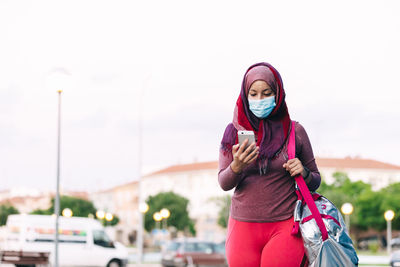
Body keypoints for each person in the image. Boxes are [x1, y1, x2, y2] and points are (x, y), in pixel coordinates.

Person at [218, 62, 321, 267]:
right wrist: (236, 166)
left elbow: (315, 181)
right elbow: (224, 182)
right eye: (253, 94)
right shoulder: (233, 132)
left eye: (266, 93)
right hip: (242, 226)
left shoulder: (295, 131)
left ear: (278, 94)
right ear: (245, 96)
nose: (259, 100)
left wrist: (304, 172)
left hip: (285, 225)